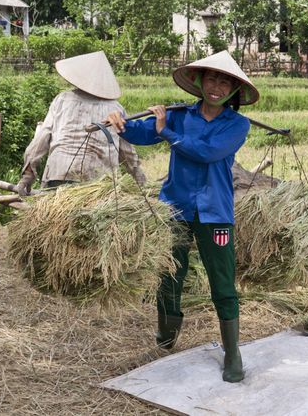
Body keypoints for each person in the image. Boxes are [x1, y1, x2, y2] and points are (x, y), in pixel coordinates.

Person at [105, 50, 259, 383]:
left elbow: (208, 153)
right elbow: (144, 132)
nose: (216, 87)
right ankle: (166, 338)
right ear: (200, 82)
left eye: (224, 82)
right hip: (175, 207)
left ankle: (232, 353)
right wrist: (122, 126)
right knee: (169, 273)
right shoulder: (178, 114)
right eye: (212, 79)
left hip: (215, 213)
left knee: (222, 281)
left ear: (234, 91)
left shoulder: (236, 124)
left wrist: (167, 133)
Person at [17, 51, 145, 195]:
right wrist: (140, 179)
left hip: (61, 172)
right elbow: (127, 150)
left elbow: (41, 138)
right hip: (100, 181)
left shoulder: (63, 100)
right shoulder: (116, 109)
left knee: (54, 216)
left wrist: (28, 172)